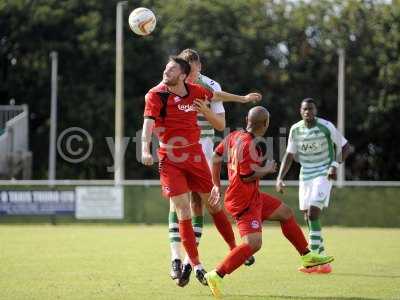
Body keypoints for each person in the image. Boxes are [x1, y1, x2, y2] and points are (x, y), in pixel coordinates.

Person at [141, 56, 261, 286]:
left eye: (172, 69)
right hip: (170, 158)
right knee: (183, 210)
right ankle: (195, 264)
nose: (166, 71)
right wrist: (145, 149)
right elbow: (147, 124)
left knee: (214, 204)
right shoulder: (155, 94)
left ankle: (234, 249)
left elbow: (217, 98)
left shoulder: (197, 91)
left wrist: (242, 99)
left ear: (184, 76)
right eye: (166, 67)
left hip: (195, 155)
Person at [204, 106, 334, 299]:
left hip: (252, 196)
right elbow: (246, 176)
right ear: (265, 124)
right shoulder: (249, 144)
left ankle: (307, 256)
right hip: (244, 201)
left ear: (248, 119)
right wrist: (266, 169)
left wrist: (216, 184)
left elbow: (215, 156)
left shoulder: (234, 136)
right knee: (253, 244)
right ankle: (216, 274)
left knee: (286, 213)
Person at [276, 98, 351, 274]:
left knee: (313, 212)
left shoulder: (326, 126)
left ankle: (313, 260)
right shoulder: (296, 129)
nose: (308, 111)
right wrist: (280, 177)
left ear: (315, 110)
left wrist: (334, 166)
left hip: (323, 173)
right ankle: (323, 262)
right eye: (304, 109)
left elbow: (346, 147)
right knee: (307, 217)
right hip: (306, 175)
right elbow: (289, 155)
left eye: (310, 108)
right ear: (300, 111)